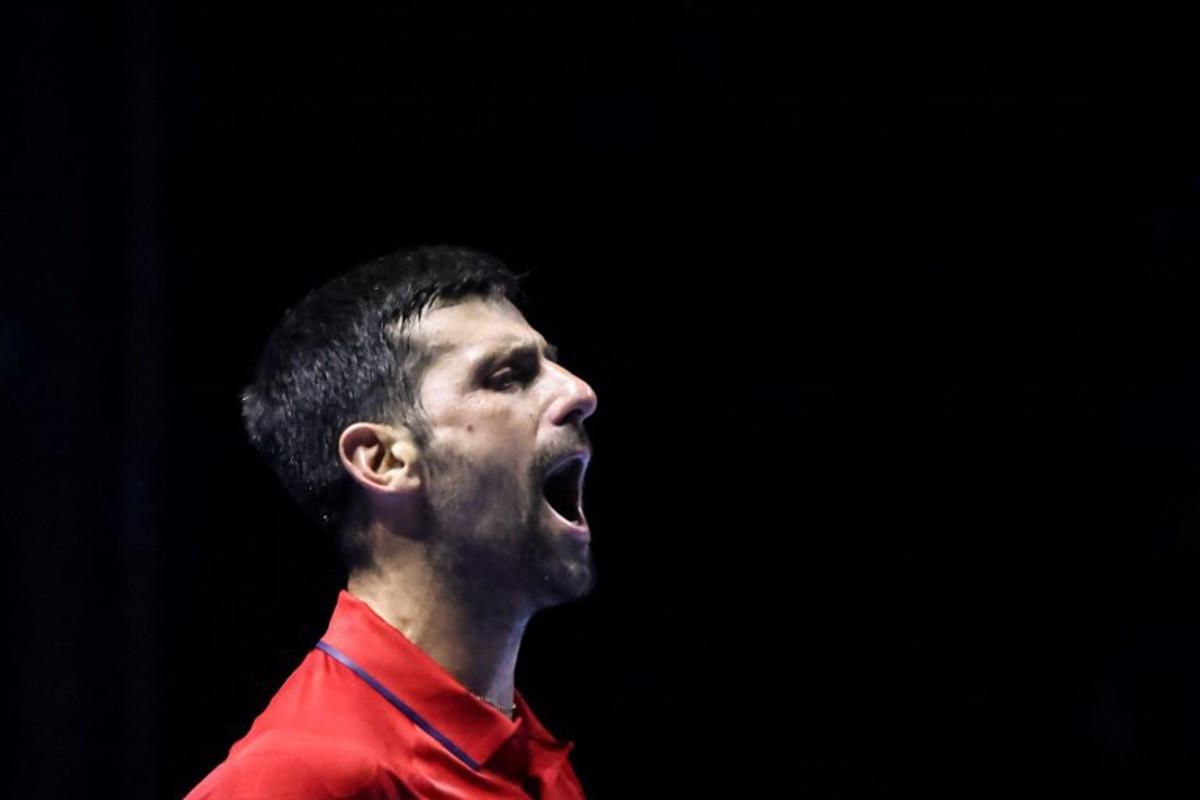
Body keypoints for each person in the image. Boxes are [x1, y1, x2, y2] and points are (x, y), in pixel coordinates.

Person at [184, 245, 599, 799]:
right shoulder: (295, 778)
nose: (579, 392)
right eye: (507, 376)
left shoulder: (528, 761)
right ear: (383, 461)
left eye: (552, 364)